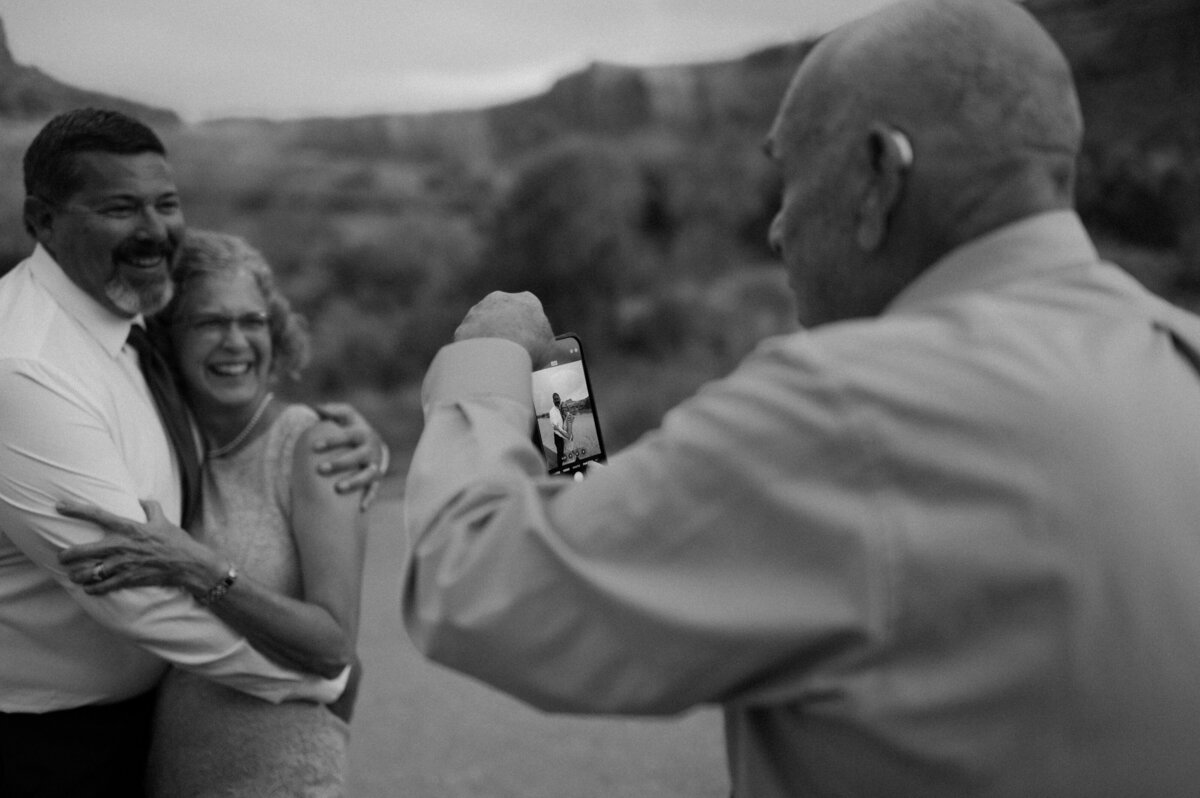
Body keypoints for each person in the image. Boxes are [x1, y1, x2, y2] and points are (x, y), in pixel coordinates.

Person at [401, 1, 1200, 795]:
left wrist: (492, 356)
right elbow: (604, 523)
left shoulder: (850, 411)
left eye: (790, 174)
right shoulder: (1179, 358)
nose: (779, 228)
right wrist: (558, 392)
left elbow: (477, 580)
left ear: (882, 175)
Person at [0, 108, 381, 797]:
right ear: (43, 221)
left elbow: (561, 484)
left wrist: (538, 365)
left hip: (265, 760)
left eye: (165, 204)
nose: (234, 341)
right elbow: (136, 598)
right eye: (120, 207)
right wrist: (526, 368)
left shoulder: (317, 445)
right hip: (96, 750)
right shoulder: (36, 361)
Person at [56, 230, 366, 796]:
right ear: (169, 338)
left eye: (252, 321)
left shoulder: (314, 446)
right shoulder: (163, 445)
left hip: (284, 780)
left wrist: (197, 567)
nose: (236, 342)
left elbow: (334, 647)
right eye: (210, 323)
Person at [549, 392, 568, 467]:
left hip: (562, 435)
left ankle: (563, 461)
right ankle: (560, 468)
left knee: (562, 450)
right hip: (558, 436)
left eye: (558, 398)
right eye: (555, 399)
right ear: (553, 401)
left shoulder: (560, 409)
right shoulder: (552, 412)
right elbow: (555, 426)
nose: (557, 400)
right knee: (560, 453)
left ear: (560, 399)